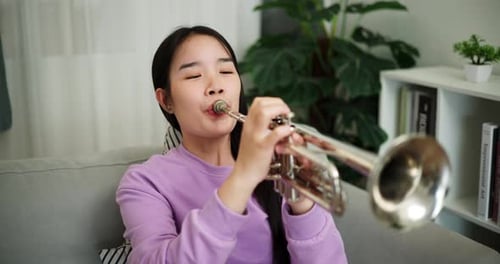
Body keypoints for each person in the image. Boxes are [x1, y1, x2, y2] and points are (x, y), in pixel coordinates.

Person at [116, 25, 347, 264]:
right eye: (194, 76)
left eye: (226, 71)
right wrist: (243, 176)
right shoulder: (145, 182)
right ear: (166, 101)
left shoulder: (276, 162)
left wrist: (302, 203)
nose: (216, 86)